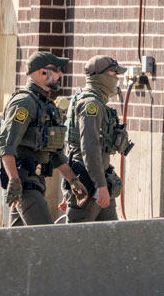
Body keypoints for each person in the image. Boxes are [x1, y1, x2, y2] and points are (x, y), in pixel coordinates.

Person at [0, 51, 88, 226]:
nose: (61, 74)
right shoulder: (24, 103)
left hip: (35, 183)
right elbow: (5, 145)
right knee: (46, 239)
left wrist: (73, 181)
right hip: (25, 185)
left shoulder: (45, 105)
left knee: (20, 243)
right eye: (57, 70)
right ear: (42, 72)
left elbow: (54, 152)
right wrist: (14, 181)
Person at [64, 55, 130, 223]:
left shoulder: (96, 102)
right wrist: (100, 185)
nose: (117, 79)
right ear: (101, 76)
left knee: (110, 239)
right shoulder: (91, 105)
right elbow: (89, 147)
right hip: (89, 182)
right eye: (114, 74)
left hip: (100, 180)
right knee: (77, 241)